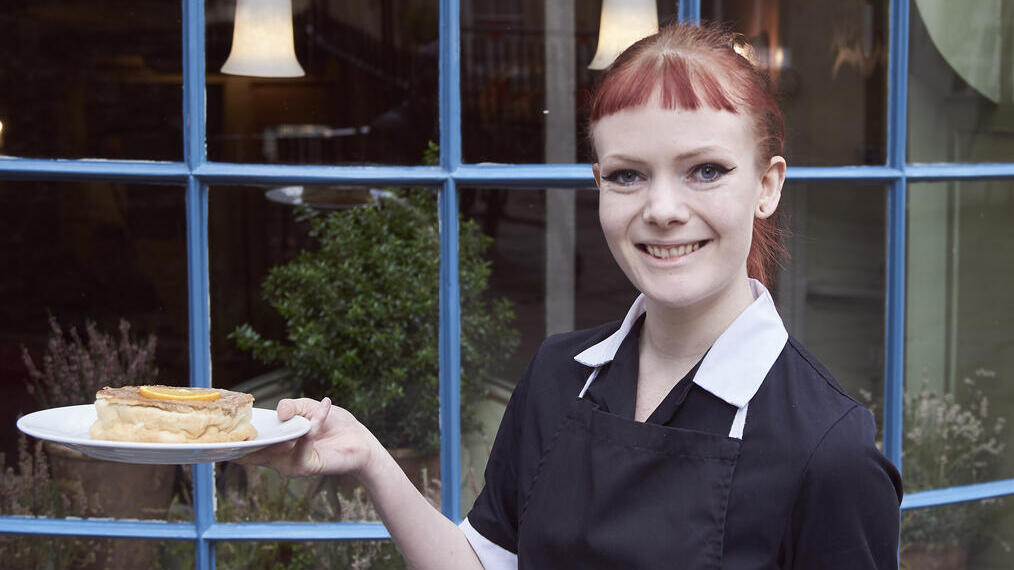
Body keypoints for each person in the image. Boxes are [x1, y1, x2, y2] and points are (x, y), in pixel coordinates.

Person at [244, 22, 903, 569]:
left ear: (767, 184)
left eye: (705, 170)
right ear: (599, 186)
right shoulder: (559, 378)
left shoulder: (829, 451)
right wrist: (367, 455)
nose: (663, 209)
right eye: (627, 176)